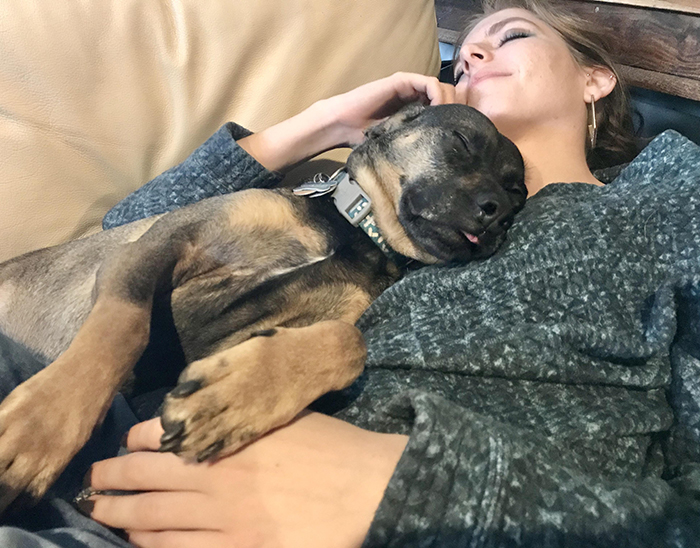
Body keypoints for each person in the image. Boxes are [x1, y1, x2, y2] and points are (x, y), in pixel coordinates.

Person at [2, 0, 700, 546]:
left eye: (512, 36)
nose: (474, 53)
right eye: (463, 57)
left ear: (595, 77)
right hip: (102, 432)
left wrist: (408, 491)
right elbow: (130, 230)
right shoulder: (384, 208)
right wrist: (321, 126)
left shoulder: (669, 204)